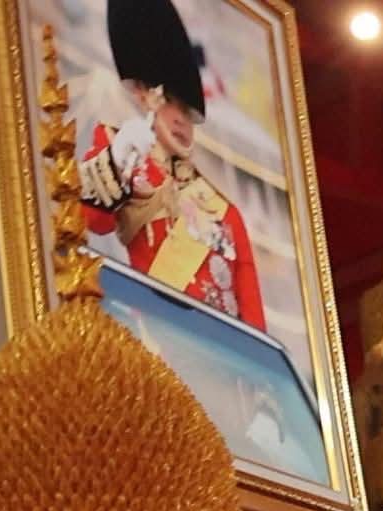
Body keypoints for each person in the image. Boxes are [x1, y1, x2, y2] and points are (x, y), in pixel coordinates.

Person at [78, 0, 265, 330]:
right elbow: (92, 221)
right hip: (163, 342)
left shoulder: (223, 210)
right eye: (171, 102)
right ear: (145, 97)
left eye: (188, 109)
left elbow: (251, 313)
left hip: (224, 362)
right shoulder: (122, 151)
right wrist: (119, 160)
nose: (182, 119)